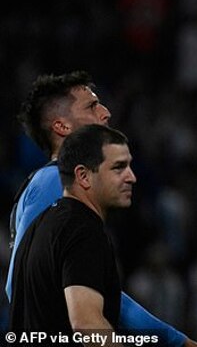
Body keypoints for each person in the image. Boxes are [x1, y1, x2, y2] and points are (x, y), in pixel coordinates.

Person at [7, 71, 197, 347]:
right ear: (62, 126)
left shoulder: (62, 190)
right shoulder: (55, 181)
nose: (106, 112)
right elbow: (19, 283)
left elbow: (92, 291)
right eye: (92, 106)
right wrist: (177, 342)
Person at [9, 124, 134, 344]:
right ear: (83, 176)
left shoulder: (40, 225)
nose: (131, 177)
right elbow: (87, 325)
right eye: (118, 167)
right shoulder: (83, 230)